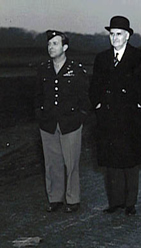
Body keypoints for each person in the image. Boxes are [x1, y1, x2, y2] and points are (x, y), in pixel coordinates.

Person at [89, 16, 141, 216]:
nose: (115, 38)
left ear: (127, 36)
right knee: (111, 161)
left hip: (130, 117)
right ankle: (115, 201)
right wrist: (98, 104)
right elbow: (94, 86)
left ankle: (130, 203)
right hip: (108, 118)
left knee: (130, 161)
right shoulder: (101, 58)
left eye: (119, 34)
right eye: (111, 34)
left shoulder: (139, 57)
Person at [34, 30, 90, 213]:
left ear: (65, 47)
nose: (51, 47)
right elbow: (38, 95)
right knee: (52, 162)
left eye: (55, 44)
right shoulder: (43, 69)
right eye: (49, 44)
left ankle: (73, 199)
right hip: (48, 122)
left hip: (70, 123)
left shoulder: (76, 70)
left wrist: (80, 116)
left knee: (71, 162)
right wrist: (40, 114)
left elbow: (84, 96)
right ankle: (55, 198)